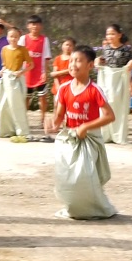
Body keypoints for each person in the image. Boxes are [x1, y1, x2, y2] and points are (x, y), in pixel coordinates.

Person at [46, 45, 117, 220]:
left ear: (90, 65)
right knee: (68, 176)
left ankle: (97, 208)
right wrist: (52, 124)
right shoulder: (64, 89)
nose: (73, 65)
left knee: (86, 177)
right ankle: (75, 207)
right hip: (70, 139)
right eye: (71, 61)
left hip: (89, 139)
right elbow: (59, 117)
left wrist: (86, 127)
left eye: (78, 61)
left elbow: (109, 116)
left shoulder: (94, 90)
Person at [96, 24, 132, 144]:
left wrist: (130, 63)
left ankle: (118, 135)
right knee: (106, 103)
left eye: (112, 34)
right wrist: (98, 61)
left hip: (120, 80)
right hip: (108, 80)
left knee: (119, 105)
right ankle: (106, 134)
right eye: (108, 34)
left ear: (119, 35)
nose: (110, 36)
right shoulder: (106, 49)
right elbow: (103, 59)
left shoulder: (126, 49)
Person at [0, 27, 33, 139]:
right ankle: (6, 130)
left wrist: (21, 72)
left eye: (15, 36)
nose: (13, 39)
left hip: (16, 79)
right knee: (3, 105)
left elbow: (31, 65)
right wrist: (2, 71)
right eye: (11, 36)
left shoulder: (23, 50)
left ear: (19, 38)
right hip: (6, 78)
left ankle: (22, 131)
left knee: (17, 106)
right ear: (7, 37)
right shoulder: (4, 49)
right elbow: (4, 64)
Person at [18, 15, 52, 128]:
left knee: (42, 97)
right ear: (28, 26)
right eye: (32, 24)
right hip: (26, 73)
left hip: (39, 73)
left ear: (41, 26)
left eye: (37, 24)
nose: (35, 26)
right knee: (26, 97)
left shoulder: (44, 39)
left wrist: (45, 73)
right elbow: (19, 55)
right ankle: (23, 119)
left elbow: (46, 57)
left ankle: (42, 119)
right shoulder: (23, 39)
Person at [50, 37, 75, 101]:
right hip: (58, 85)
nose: (68, 47)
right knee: (56, 106)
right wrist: (57, 85)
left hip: (70, 86)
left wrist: (57, 73)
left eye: (70, 45)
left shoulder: (74, 59)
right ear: (62, 46)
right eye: (66, 45)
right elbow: (54, 74)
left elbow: (72, 70)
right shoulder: (57, 58)